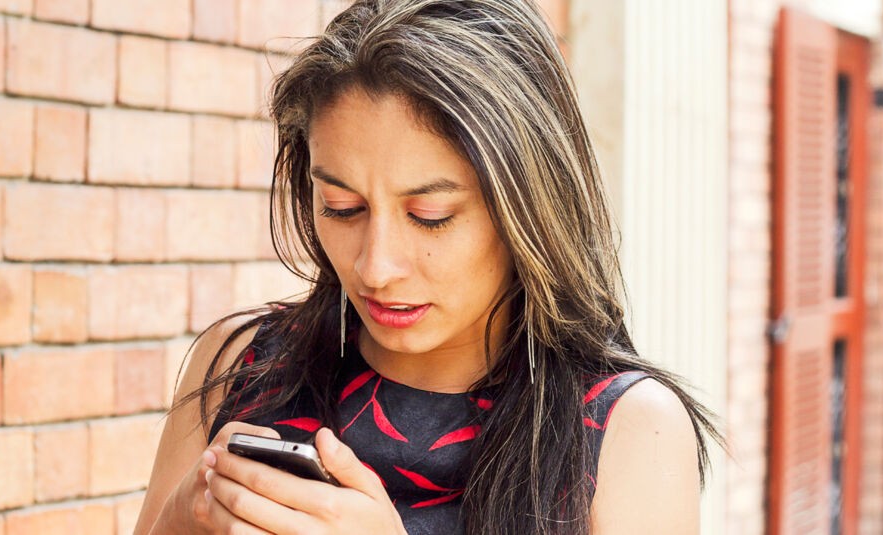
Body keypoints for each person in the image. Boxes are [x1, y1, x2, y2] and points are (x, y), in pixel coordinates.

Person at [135, 0, 720, 533]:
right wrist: (183, 519)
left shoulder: (625, 430)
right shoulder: (240, 364)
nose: (375, 266)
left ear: (529, 208)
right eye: (343, 207)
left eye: (430, 215)